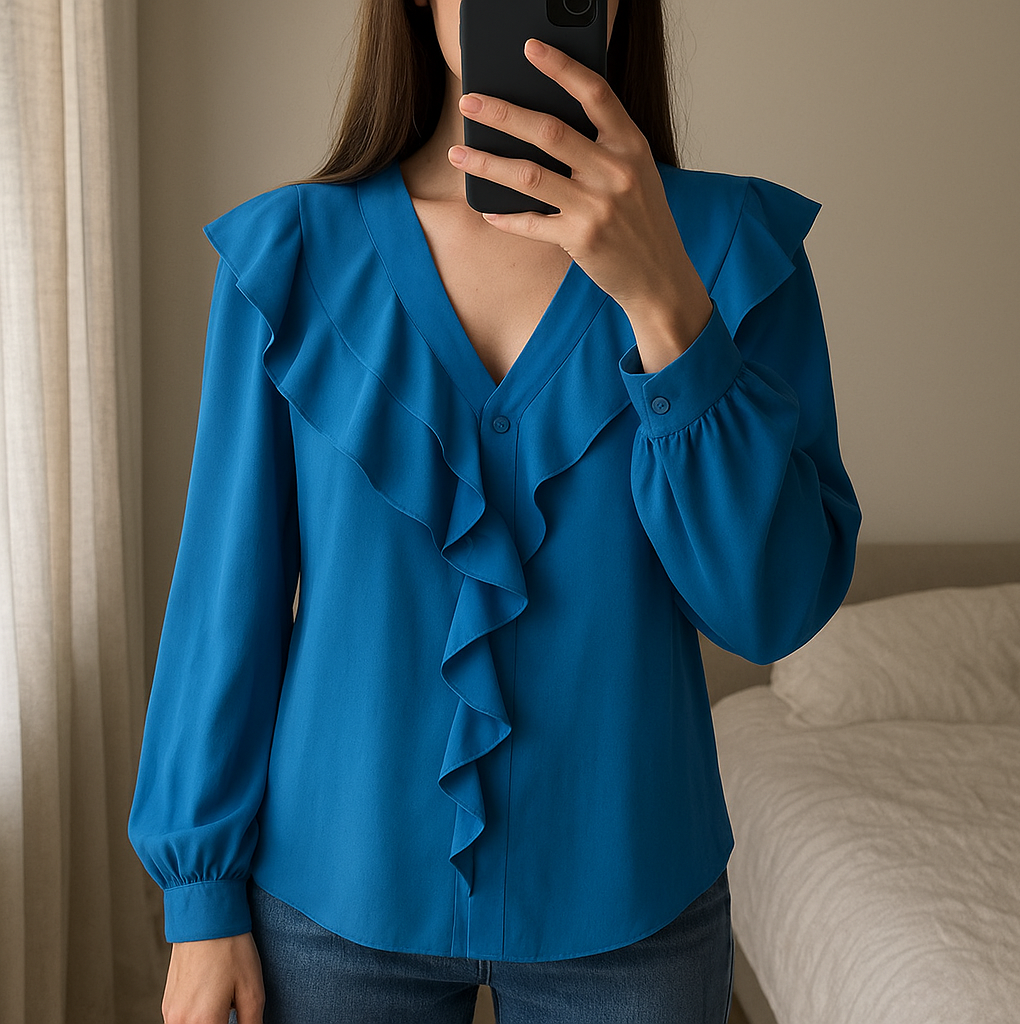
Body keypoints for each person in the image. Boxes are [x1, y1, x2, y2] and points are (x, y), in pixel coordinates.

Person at [128, 0, 861, 1021]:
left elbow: (768, 609)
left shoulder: (735, 252)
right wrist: (200, 901)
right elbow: (225, 601)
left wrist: (665, 307)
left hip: (631, 901)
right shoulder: (289, 257)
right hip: (332, 893)